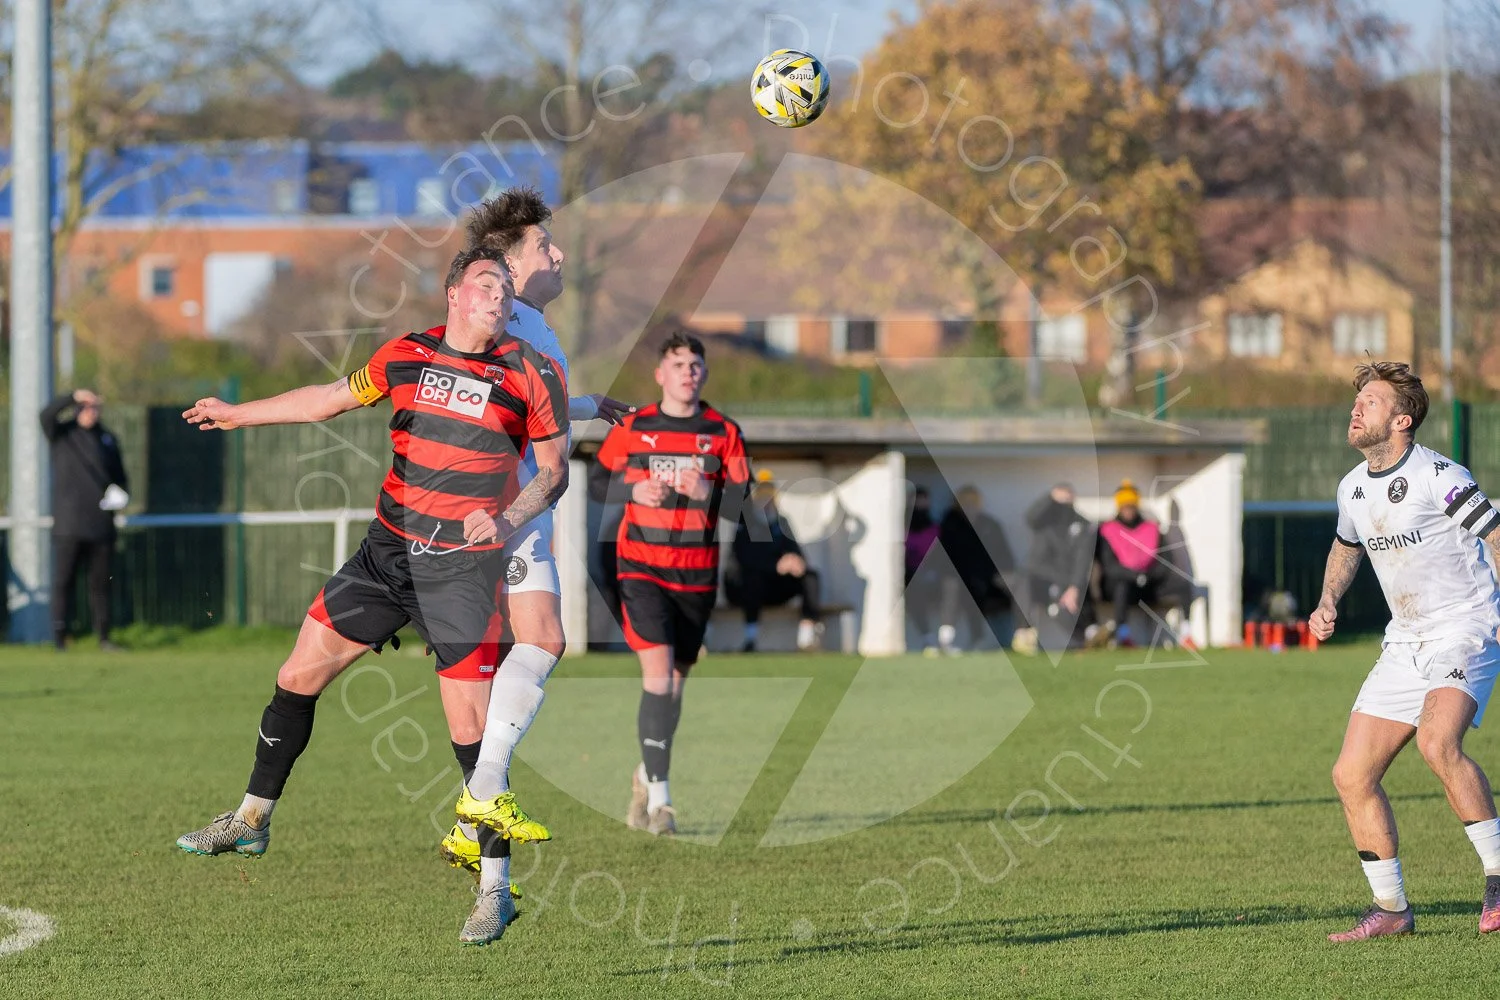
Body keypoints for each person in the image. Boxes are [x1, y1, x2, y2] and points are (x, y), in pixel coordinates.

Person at [174, 247, 570, 946]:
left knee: (474, 745)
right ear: (452, 294)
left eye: (506, 287)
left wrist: (508, 519)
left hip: (460, 573)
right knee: (295, 677)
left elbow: (555, 474)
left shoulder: (530, 372)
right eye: (485, 282)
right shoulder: (406, 354)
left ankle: (496, 893)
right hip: (384, 555)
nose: (498, 294)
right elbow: (326, 401)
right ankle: (252, 820)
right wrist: (239, 414)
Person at [434, 188, 635, 897]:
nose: (559, 254)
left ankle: (478, 812)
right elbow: (480, 390)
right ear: (512, 262)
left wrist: (586, 406)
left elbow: (526, 394)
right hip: (509, 508)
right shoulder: (509, 320)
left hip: (515, 509)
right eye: (546, 246)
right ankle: (482, 797)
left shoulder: (528, 325)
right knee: (537, 644)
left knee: (516, 659)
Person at [1313, 361, 1500, 942]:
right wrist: (1327, 601)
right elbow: (1347, 548)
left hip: (1465, 630)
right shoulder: (1351, 486)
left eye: (1369, 401)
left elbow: (1495, 534)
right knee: (1350, 774)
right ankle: (1391, 909)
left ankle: (1498, 880)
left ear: (1401, 419)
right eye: (1356, 400)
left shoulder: (1438, 474)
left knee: (1437, 742)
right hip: (1405, 640)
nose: (1356, 408)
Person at [588, 332, 749, 836]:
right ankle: (663, 802)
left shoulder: (722, 431)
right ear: (660, 374)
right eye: (678, 363)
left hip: (696, 576)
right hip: (642, 568)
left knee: (673, 690)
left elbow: (746, 509)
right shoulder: (635, 427)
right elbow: (595, 481)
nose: (688, 371)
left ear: (704, 374)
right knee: (657, 679)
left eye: (696, 364)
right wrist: (634, 485)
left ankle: (644, 773)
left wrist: (710, 491)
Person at [40, 388, 129, 651]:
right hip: (69, 525)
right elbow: (45, 415)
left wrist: (120, 495)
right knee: (63, 583)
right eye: (85, 406)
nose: (91, 412)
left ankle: (103, 637)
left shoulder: (107, 439)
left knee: (100, 586)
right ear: (77, 408)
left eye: (94, 407)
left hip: (101, 525)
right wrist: (73, 396)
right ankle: (59, 638)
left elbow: (121, 479)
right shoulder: (63, 434)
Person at [724, 468, 823, 652]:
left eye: (769, 494)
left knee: (810, 575)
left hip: (774, 587)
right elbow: (744, 561)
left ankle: (807, 635)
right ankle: (750, 639)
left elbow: (796, 551)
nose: (766, 500)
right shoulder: (744, 523)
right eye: (761, 494)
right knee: (753, 578)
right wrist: (776, 566)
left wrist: (796, 561)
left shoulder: (781, 522)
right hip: (743, 589)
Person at [1095, 480, 1192, 648]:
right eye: (1125, 507)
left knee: (1183, 585)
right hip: (1122, 585)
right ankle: (1123, 635)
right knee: (1121, 587)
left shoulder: (1152, 528)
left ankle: (1186, 634)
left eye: (1131, 506)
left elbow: (1164, 561)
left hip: (1149, 583)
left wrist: (1148, 576)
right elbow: (1110, 567)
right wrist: (1135, 576)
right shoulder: (1107, 530)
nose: (1129, 511)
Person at [934, 485, 1015, 655]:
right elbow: (942, 556)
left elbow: (1005, 556)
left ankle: (1010, 640)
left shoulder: (990, 525)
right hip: (956, 579)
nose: (969, 506)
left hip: (985, 579)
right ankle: (945, 642)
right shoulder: (949, 524)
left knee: (990, 590)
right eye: (965, 502)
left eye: (973, 502)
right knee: (955, 587)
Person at [1022, 482, 1096, 651]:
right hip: (1044, 577)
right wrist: (1050, 497)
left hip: (1070, 579)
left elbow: (1083, 559)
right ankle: (1025, 633)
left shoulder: (1082, 524)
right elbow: (1030, 517)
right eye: (1060, 501)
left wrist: (1074, 587)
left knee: (1070, 601)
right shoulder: (1043, 522)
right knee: (1026, 584)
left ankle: (1088, 635)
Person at [904, 485, 942, 648]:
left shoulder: (935, 529)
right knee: (914, 588)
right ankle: (927, 637)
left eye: (923, 501)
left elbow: (940, 558)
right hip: (910, 579)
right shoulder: (902, 527)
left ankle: (945, 637)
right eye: (916, 501)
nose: (920, 505)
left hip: (933, 579)